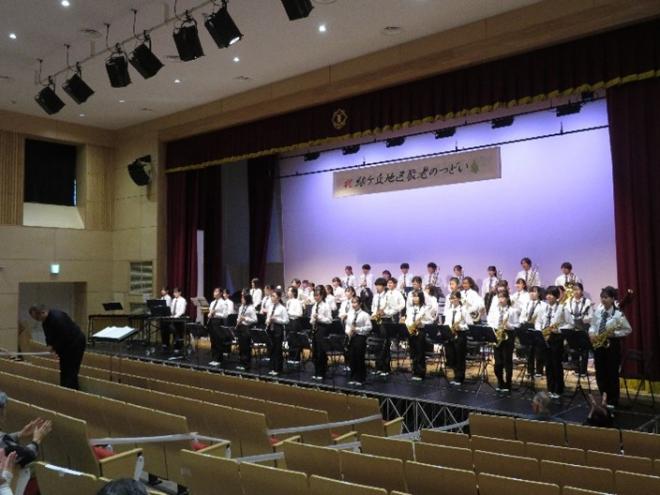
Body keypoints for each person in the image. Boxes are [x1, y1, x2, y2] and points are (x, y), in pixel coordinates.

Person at [589, 286, 632, 407]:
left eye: (606, 297)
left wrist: (615, 334)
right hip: (599, 345)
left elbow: (628, 329)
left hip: (612, 345)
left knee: (612, 373)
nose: (603, 300)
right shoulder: (598, 312)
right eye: (602, 297)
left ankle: (613, 400)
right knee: (600, 373)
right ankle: (604, 397)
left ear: (613, 299)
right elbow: (592, 326)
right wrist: (591, 333)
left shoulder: (618, 314)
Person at [29, 304, 86, 389]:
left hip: (75, 343)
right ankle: (66, 388)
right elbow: (49, 337)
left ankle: (70, 390)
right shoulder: (45, 322)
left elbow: (65, 336)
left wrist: (54, 348)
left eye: (37, 318)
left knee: (71, 369)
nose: (37, 320)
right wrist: (49, 345)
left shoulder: (58, 318)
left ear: (43, 312)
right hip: (66, 344)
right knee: (64, 369)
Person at [0, 391, 52, 469]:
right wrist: (36, 440)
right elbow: (28, 455)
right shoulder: (3, 441)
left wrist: (19, 434)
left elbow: (3, 442)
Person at [539, 286, 573, 399]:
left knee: (556, 365)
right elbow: (539, 321)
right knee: (548, 365)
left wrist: (559, 330)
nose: (549, 296)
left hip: (556, 338)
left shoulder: (562, 308)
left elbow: (570, 324)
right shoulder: (544, 308)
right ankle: (550, 388)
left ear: (557, 296)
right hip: (545, 337)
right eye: (547, 294)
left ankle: (558, 390)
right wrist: (540, 330)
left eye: (552, 294)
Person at [487, 291, 520, 393]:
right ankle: (500, 382)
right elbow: (490, 321)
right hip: (497, 334)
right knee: (498, 363)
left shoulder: (512, 311)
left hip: (508, 335)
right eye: (499, 297)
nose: (500, 299)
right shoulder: (494, 310)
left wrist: (509, 326)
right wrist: (494, 329)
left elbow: (517, 325)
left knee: (507, 361)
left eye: (502, 297)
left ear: (507, 299)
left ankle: (508, 384)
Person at [443, 291, 472, 386]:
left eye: (454, 298)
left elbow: (470, 323)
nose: (453, 300)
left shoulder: (463, 310)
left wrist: (461, 327)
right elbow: (446, 322)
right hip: (450, 334)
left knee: (460, 357)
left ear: (459, 299)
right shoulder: (449, 310)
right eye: (451, 298)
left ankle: (459, 378)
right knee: (451, 356)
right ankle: (456, 375)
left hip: (460, 334)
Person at [520, 286, 546, 378]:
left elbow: (545, 318)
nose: (532, 293)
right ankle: (530, 370)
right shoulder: (526, 304)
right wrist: (524, 321)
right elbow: (522, 316)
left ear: (539, 293)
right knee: (529, 351)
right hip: (528, 329)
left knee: (539, 352)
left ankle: (539, 371)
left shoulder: (544, 305)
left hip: (538, 330)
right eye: (530, 292)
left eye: (534, 292)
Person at [345, 296, 372, 386]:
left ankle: (360, 378)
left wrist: (357, 329)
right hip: (351, 337)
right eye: (352, 302)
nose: (353, 304)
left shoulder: (365, 314)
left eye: (355, 302)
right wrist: (348, 331)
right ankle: (353, 377)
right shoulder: (350, 313)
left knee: (359, 358)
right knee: (352, 358)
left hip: (360, 337)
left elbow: (369, 327)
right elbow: (347, 325)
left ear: (360, 304)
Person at [568, 282, 592, 375]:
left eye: (578, 289)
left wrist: (583, 320)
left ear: (582, 291)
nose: (576, 292)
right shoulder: (569, 301)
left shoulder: (587, 302)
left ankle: (583, 371)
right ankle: (576, 369)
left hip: (583, 328)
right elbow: (567, 314)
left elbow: (591, 316)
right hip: (572, 329)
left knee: (584, 350)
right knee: (574, 349)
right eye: (574, 290)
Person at [405, 290, 429, 381]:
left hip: (420, 331)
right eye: (413, 296)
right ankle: (414, 371)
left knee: (420, 352)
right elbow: (408, 319)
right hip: (411, 331)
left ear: (421, 298)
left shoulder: (425, 308)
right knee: (413, 352)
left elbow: (430, 320)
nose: (414, 298)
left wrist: (422, 323)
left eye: (417, 296)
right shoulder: (410, 308)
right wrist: (408, 325)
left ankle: (420, 373)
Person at [265, 289, 289, 376]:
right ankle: (272, 368)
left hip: (278, 329)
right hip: (270, 329)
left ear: (278, 298)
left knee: (277, 350)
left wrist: (276, 319)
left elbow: (286, 321)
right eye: (271, 296)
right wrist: (267, 320)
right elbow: (268, 317)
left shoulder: (282, 308)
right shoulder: (270, 306)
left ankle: (278, 369)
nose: (272, 298)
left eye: (274, 296)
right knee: (271, 349)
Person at [310, 286, 332, 380]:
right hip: (315, 329)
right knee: (315, 351)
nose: (316, 297)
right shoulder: (314, 305)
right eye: (314, 296)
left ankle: (322, 373)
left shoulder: (326, 306)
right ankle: (316, 372)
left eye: (317, 295)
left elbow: (329, 320)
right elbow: (312, 318)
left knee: (321, 352)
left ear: (322, 296)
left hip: (322, 329)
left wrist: (319, 318)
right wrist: (312, 320)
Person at [372, 278, 391, 377]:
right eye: (376, 285)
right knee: (377, 344)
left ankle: (386, 368)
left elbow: (391, 308)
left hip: (385, 320)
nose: (377, 287)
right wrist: (374, 314)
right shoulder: (376, 296)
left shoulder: (388, 296)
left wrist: (384, 312)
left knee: (385, 344)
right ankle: (378, 367)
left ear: (384, 286)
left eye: (379, 285)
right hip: (376, 320)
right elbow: (373, 307)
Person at [235, 293, 257, 371]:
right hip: (240, 327)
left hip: (246, 328)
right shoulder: (241, 307)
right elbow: (238, 316)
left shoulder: (251, 308)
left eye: (243, 298)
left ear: (247, 299)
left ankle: (247, 364)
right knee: (241, 346)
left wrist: (245, 319)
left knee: (246, 347)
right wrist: (238, 320)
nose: (241, 299)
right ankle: (241, 363)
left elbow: (255, 319)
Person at [207, 287, 227, 364]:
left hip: (218, 322)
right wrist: (209, 314)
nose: (214, 293)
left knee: (218, 341)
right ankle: (214, 358)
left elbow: (225, 315)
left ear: (220, 293)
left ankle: (219, 359)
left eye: (216, 291)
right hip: (212, 322)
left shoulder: (223, 302)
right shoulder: (212, 302)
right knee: (213, 341)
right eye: (214, 291)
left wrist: (216, 313)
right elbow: (210, 312)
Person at [286, 287, 304, 363]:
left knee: (295, 340)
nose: (287, 292)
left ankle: (296, 358)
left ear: (294, 293)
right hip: (289, 322)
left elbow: (300, 313)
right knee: (290, 340)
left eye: (289, 291)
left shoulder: (297, 302)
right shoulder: (288, 301)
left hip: (295, 321)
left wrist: (289, 313)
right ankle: (291, 357)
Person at [169, 287, 187, 353]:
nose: (174, 294)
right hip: (173, 317)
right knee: (174, 332)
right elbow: (171, 309)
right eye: (174, 292)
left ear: (180, 293)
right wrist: (171, 315)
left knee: (178, 333)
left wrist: (175, 316)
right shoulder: (173, 300)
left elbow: (182, 311)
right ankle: (174, 346)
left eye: (176, 292)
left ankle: (179, 347)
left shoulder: (183, 300)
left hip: (180, 318)